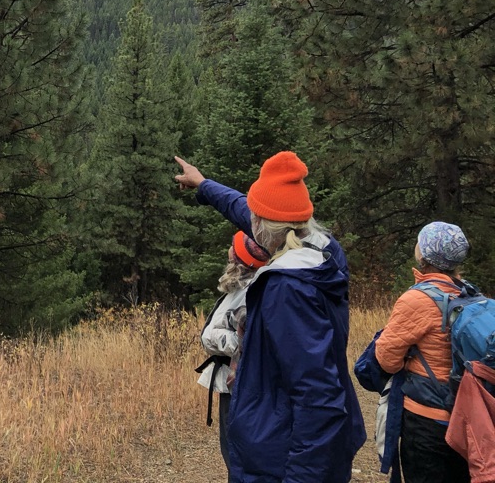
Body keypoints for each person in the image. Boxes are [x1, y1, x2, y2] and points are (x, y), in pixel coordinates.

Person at [175, 152, 366, 483]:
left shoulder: (286, 289)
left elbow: (317, 394)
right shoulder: (324, 252)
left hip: (279, 453)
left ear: (262, 224)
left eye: (253, 217)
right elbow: (244, 207)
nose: (248, 220)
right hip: (297, 443)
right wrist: (203, 185)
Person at [374, 221, 471, 483]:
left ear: (424, 255)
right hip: (466, 417)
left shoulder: (416, 299)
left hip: (427, 420)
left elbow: (386, 359)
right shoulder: (469, 294)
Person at [197, 230, 271, 482]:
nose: (229, 252)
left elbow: (221, 337)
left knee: (236, 453)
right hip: (239, 381)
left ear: (241, 259)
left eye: (233, 248)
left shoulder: (249, 290)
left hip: (238, 384)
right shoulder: (245, 287)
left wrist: (232, 342)